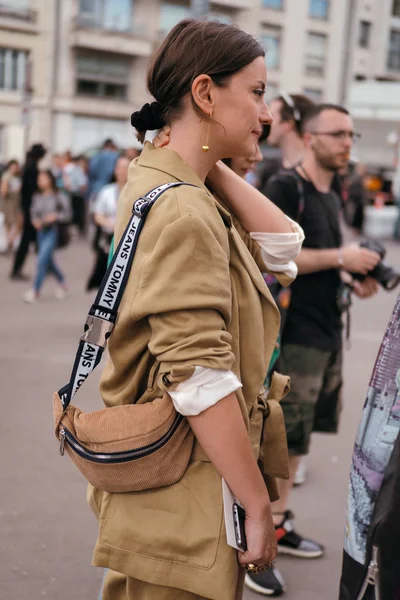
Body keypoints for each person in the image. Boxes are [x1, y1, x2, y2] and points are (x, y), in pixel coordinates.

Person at [88, 18, 305, 600]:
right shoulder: (184, 207)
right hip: (192, 485)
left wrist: (208, 161)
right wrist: (258, 504)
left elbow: (286, 248)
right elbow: (198, 376)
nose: (266, 114)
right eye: (257, 92)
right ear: (206, 93)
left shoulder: (171, 182)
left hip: (177, 483)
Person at [257, 104, 381, 588]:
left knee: (299, 445)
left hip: (326, 332)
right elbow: (269, 255)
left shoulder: (335, 193)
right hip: (292, 336)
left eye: (352, 133)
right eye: (338, 134)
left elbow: (326, 262)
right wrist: (339, 257)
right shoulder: (287, 187)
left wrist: (351, 275)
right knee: (277, 447)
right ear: (310, 138)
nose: (348, 142)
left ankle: (279, 525)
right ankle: (256, 548)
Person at [23, 170, 70, 303]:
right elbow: (33, 212)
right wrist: (35, 221)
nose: (41, 181)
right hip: (40, 232)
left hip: (52, 230)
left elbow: (67, 214)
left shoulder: (57, 194)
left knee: (41, 260)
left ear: (50, 179)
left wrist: (55, 216)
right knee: (49, 262)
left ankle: (35, 291)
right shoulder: (37, 195)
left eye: (43, 178)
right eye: (39, 179)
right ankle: (63, 284)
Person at [86, 155, 129, 291]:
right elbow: (97, 214)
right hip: (109, 238)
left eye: (126, 168)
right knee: (107, 273)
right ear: (115, 170)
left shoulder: (136, 191)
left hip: (127, 240)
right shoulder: (107, 191)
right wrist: (112, 225)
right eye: (120, 167)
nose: (123, 171)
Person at [258, 94, 314, 191]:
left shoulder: (313, 172)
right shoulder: (270, 171)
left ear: (288, 123)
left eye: (272, 115)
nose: (266, 120)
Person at [10, 143, 46, 281]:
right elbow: (30, 191)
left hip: (27, 209)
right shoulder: (32, 167)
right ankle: (17, 269)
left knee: (34, 240)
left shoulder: (29, 165)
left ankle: (44, 266)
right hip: (30, 210)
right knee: (28, 241)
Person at [63, 154, 88, 236]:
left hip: (75, 193)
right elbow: (82, 184)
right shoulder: (77, 170)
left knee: (76, 212)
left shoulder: (75, 170)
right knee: (78, 213)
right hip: (77, 194)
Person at [0, 159, 21, 253]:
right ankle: (9, 243)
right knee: (10, 223)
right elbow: (3, 191)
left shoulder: (18, 176)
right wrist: (14, 191)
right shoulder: (7, 176)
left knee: (16, 223)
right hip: (9, 203)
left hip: (16, 203)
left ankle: (10, 243)